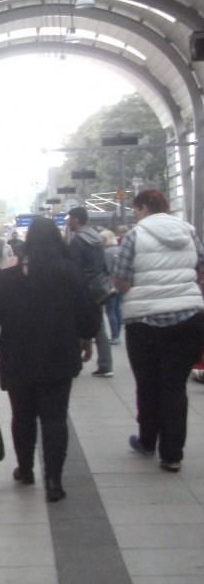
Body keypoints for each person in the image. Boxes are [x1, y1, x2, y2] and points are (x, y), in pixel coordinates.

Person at [0, 217, 99, 502]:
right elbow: (89, 318)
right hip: (59, 358)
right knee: (55, 418)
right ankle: (54, 481)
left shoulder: (8, 277)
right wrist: (84, 337)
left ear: (29, 242)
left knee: (22, 417)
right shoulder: (69, 272)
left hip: (17, 358)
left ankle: (26, 469)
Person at [112, 189, 204, 472]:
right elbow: (200, 270)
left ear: (143, 208)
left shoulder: (135, 236)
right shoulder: (189, 232)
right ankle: (172, 455)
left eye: (136, 210)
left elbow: (121, 281)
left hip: (144, 322)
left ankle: (147, 440)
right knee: (174, 386)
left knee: (148, 384)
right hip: (188, 318)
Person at [66, 206, 114, 377]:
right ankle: (106, 364)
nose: (67, 221)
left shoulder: (78, 242)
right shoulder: (97, 238)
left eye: (69, 218)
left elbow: (75, 268)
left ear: (76, 219)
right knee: (98, 325)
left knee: (78, 324)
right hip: (99, 287)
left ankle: (74, 362)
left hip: (85, 288)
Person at [100, 228, 123, 344]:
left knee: (110, 310)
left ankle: (114, 335)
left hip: (110, 284)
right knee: (117, 309)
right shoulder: (119, 249)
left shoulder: (106, 252)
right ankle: (118, 333)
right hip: (120, 282)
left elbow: (108, 269)